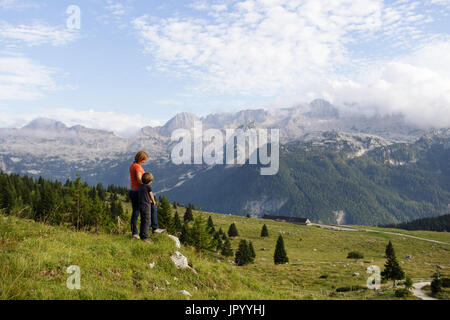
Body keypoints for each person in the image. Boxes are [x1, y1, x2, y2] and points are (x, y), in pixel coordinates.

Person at [138, 173, 166, 241]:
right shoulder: (148, 187)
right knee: (147, 221)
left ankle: (143, 234)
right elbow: (151, 195)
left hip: (141, 205)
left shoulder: (140, 186)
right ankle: (145, 237)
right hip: (146, 206)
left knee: (144, 220)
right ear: (150, 181)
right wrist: (153, 201)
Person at [129, 151, 148, 239]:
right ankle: (138, 233)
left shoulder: (132, 165)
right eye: (144, 160)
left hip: (133, 190)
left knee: (135, 212)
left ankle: (134, 232)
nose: (145, 162)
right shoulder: (137, 167)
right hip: (138, 191)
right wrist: (146, 185)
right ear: (141, 159)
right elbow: (139, 180)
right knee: (139, 212)